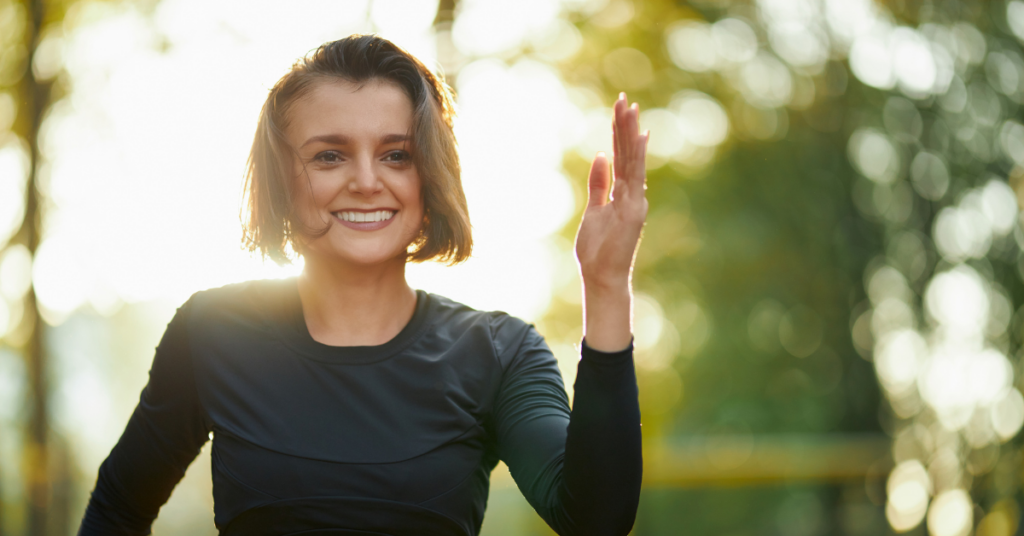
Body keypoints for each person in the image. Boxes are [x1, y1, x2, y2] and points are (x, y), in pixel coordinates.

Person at [77, 34, 648, 536]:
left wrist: (605, 287)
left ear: (429, 177)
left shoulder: (500, 353)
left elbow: (595, 518)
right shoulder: (210, 333)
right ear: (282, 182)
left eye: (397, 155)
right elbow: (117, 511)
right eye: (329, 156)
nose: (368, 181)